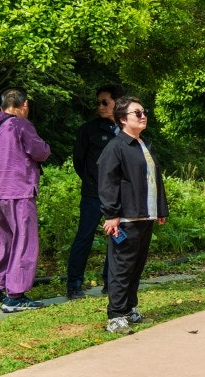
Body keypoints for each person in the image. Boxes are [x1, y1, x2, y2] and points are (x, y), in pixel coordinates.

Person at [0, 88, 51, 313]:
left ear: (1, 106)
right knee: (24, 241)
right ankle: (15, 295)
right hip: (19, 189)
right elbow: (40, 152)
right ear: (24, 105)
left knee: (3, 241)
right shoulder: (21, 125)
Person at [97, 96, 168, 335]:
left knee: (136, 265)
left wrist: (160, 209)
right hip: (125, 217)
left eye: (144, 111)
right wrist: (111, 214)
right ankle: (115, 314)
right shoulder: (116, 147)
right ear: (122, 119)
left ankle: (128, 308)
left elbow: (155, 180)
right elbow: (108, 181)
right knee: (121, 266)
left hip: (144, 214)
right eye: (137, 113)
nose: (143, 116)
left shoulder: (144, 145)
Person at [66, 84, 122, 299]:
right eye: (98, 102)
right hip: (93, 194)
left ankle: (111, 282)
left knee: (118, 239)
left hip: (119, 195)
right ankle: (74, 285)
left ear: (117, 102)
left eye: (105, 102)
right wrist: (93, 182)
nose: (100, 106)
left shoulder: (127, 129)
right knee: (84, 237)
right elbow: (79, 161)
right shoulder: (88, 130)